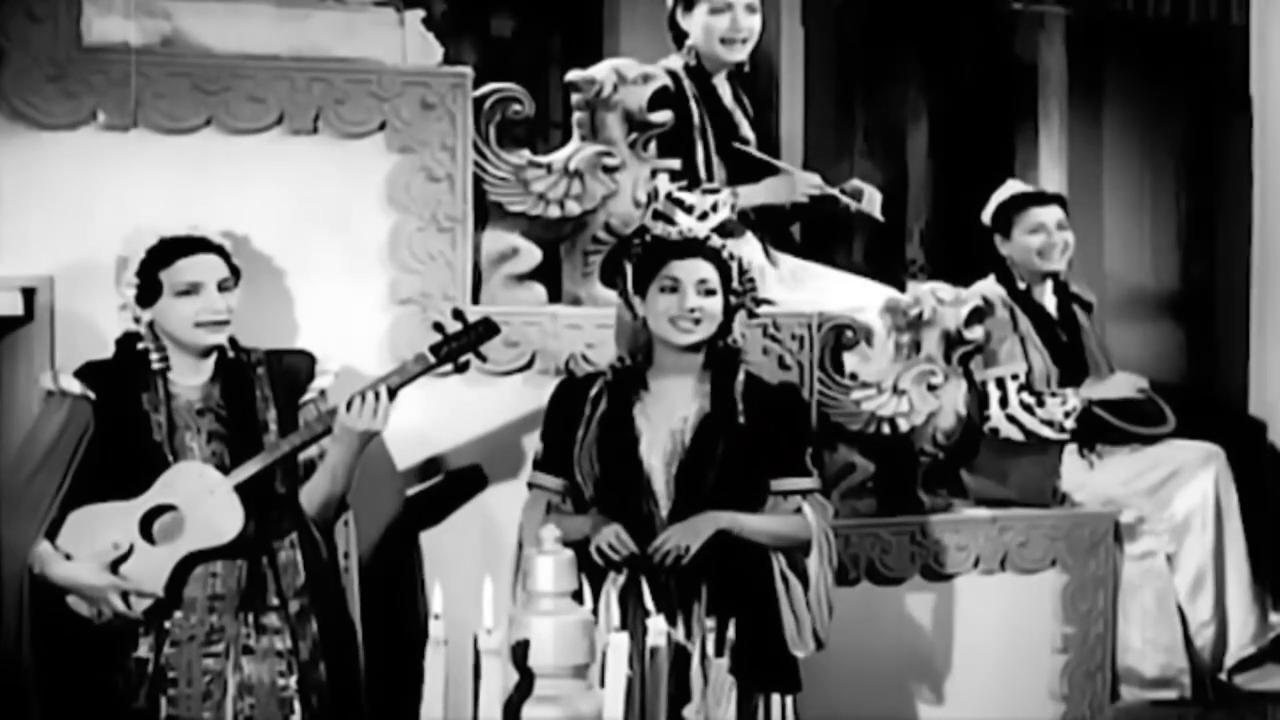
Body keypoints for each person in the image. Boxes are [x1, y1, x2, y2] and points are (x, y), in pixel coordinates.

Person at [1, 232, 391, 719]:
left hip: (271, 634)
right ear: (145, 306)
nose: (216, 305)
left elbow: (310, 519)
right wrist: (64, 571)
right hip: (144, 643)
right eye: (189, 292)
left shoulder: (286, 381)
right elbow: (20, 519)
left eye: (226, 287)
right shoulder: (100, 390)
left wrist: (349, 448)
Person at [515, 185, 837, 719]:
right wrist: (592, 525)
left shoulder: (766, 403)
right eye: (670, 288)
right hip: (617, 627)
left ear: (727, 303)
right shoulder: (581, 402)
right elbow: (539, 522)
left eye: (707, 291)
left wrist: (719, 521)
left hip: (732, 630)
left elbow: (806, 528)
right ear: (639, 301)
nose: (690, 305)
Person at [961, 178, 1275, 699]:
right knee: (1199, 469)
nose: (1055, 240)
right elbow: (1004, 414)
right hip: (1028, 467)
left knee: (1207, 464)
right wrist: (1087, 397)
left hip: (1087, 452)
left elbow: (1100, 387)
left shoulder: (1073, 303)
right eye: (1036, 231)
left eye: (1061, 227)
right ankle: (1229, 653)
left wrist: (1118, 395)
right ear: (1002, 244)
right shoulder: (987, 307)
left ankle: (1223, 652)